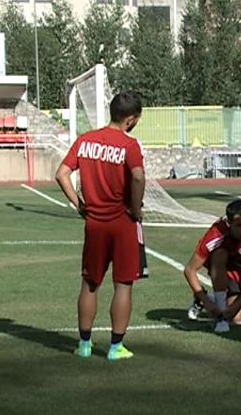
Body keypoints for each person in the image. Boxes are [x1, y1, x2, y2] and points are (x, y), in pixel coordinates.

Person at [55, 91, 146, 362]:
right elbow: (138, 176)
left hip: (94, 222)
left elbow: (61, 174)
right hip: (122, 222)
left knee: (90, 283)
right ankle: (116, 347)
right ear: (130, 120)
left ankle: (84, 345)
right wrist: (136, 207)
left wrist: (79, 204)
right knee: (123, 285)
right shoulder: (129, 145)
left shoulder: (85, 140)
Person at [183, 199, 241, 333]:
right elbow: (190, 270)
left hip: (239, 267)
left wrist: (236, 307)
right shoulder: (216, 235)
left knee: (237, 321)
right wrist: (209, 306)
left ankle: (208, 300)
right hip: (218, 262)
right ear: (229, 224)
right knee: (220, 254)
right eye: (239, 226)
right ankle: (219, 316)